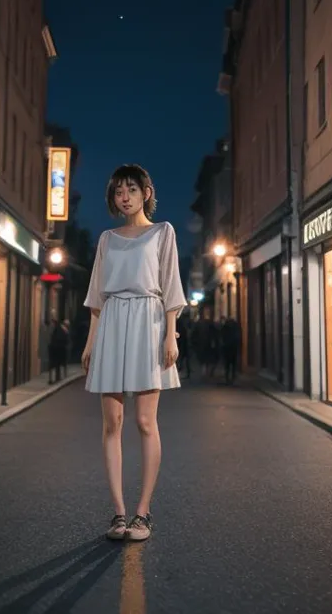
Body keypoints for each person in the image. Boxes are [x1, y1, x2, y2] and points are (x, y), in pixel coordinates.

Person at [81, 164, 186, 542]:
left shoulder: (163, 232)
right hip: (111, 323)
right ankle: (118, 513)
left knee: (145, 421)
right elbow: (97, 296)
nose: (123, 196)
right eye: (117, 192)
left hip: (149, 322)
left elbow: (171, 287)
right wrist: (91, 343)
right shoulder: (107, 239)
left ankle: (143, 513)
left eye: (130, 189)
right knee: (112, 424)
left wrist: (171, 336)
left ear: (146, 192)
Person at [191, 305, 219, 379]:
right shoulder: (200, 324)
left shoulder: (211, 323)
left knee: (209, 359)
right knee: (204, 359)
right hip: (203, 344)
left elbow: (215, 334)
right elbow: (194, 335)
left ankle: (207, 371)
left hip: (209, 344)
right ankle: (205, 371)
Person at [220, 316, 240, 385]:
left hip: (227, 348)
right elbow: (238, 337)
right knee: (233, 364)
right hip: (233, 348)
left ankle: (227, 378)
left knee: (227, 364)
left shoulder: (225, 327)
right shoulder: (236, 327)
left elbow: (222, 337)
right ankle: (233, 378)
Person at [48, 319, 69, 384]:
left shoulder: (57, 330)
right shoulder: (62, 330)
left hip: (55, 349)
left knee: (54, 364)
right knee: (57, 364)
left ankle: (53, 378)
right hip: (58, 349)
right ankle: (55, 378)